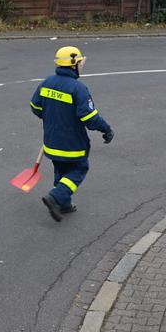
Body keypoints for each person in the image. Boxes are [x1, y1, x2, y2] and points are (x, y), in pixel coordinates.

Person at [30, 46, 113, 222]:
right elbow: (90, 118)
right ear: (73, 64)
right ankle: (55, 197)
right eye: (80, 63)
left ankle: (64, 205)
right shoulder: (78, 88)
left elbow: (35, 106)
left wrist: (51, 116)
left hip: (51, 143)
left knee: (61, 170)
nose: (82, 66)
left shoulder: (46, 83)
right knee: (78, 169)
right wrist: (106, 129)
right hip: (72, 144)